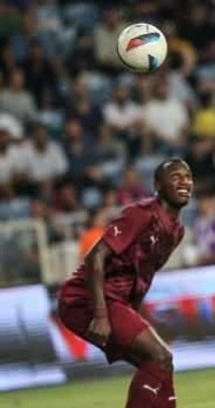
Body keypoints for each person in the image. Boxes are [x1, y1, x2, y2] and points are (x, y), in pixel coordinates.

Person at [56, 158, 193, 408]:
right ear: (158, 185)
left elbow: (143, 275)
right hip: (83, 298)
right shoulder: (142, 214)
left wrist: (133, 315)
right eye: (175, 177)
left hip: (116, 302)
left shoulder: (177, 231)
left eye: (188, 177)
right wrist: (100, 315)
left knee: (162, 365)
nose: (184, 182)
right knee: (160, 356)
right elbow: (95, 257)